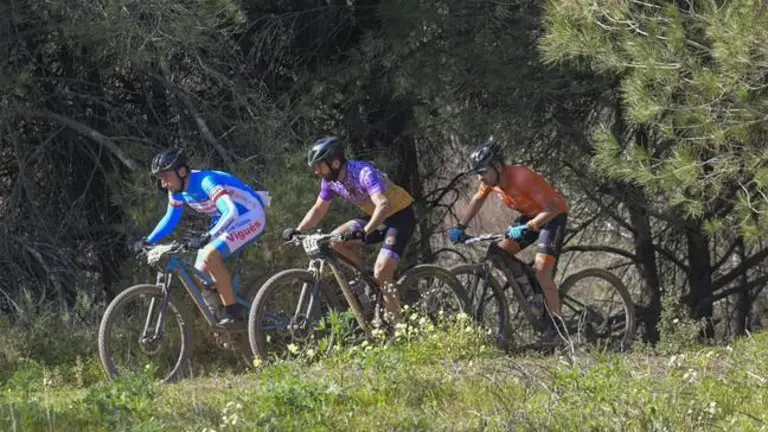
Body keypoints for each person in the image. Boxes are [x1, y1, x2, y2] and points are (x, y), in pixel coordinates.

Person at [283, 136, 416, 325]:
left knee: (382, 271)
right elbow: (318, 209)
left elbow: (383, 204)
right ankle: (366, 277)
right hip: (376, 218)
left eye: (319, 166)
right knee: (333, 241)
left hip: (399, 217)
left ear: (335, 162)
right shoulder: (330, 181)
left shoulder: (363, 172)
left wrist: (366, 231)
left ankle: (399, 326)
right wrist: (298, 230)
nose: (316, 171)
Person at [136, 148, 270, 327]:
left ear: (181, 171)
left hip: (249, 215)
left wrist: (209, 236)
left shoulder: (206, 181)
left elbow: (231, 211)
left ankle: (233, 311)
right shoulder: (177, 190)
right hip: (228, 219)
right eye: (160, 179)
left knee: (210, 255)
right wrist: (149, 240)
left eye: (165, 177)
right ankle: (223, 309)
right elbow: (171, 218)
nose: (163, 184)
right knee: (199, 272)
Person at [449, 140, 568, 322]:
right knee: (498, 253)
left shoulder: (522, 177)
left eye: (482, 172)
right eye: (477, 174)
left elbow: (553, 206)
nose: (480, 178)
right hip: (530, 217)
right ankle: (531, 290)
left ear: (497, 166)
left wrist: (530, 226)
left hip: (553, 216)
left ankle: (559, 329)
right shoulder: (492, 180)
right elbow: (478, 199)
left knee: (543, 270)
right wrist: (461, 226)